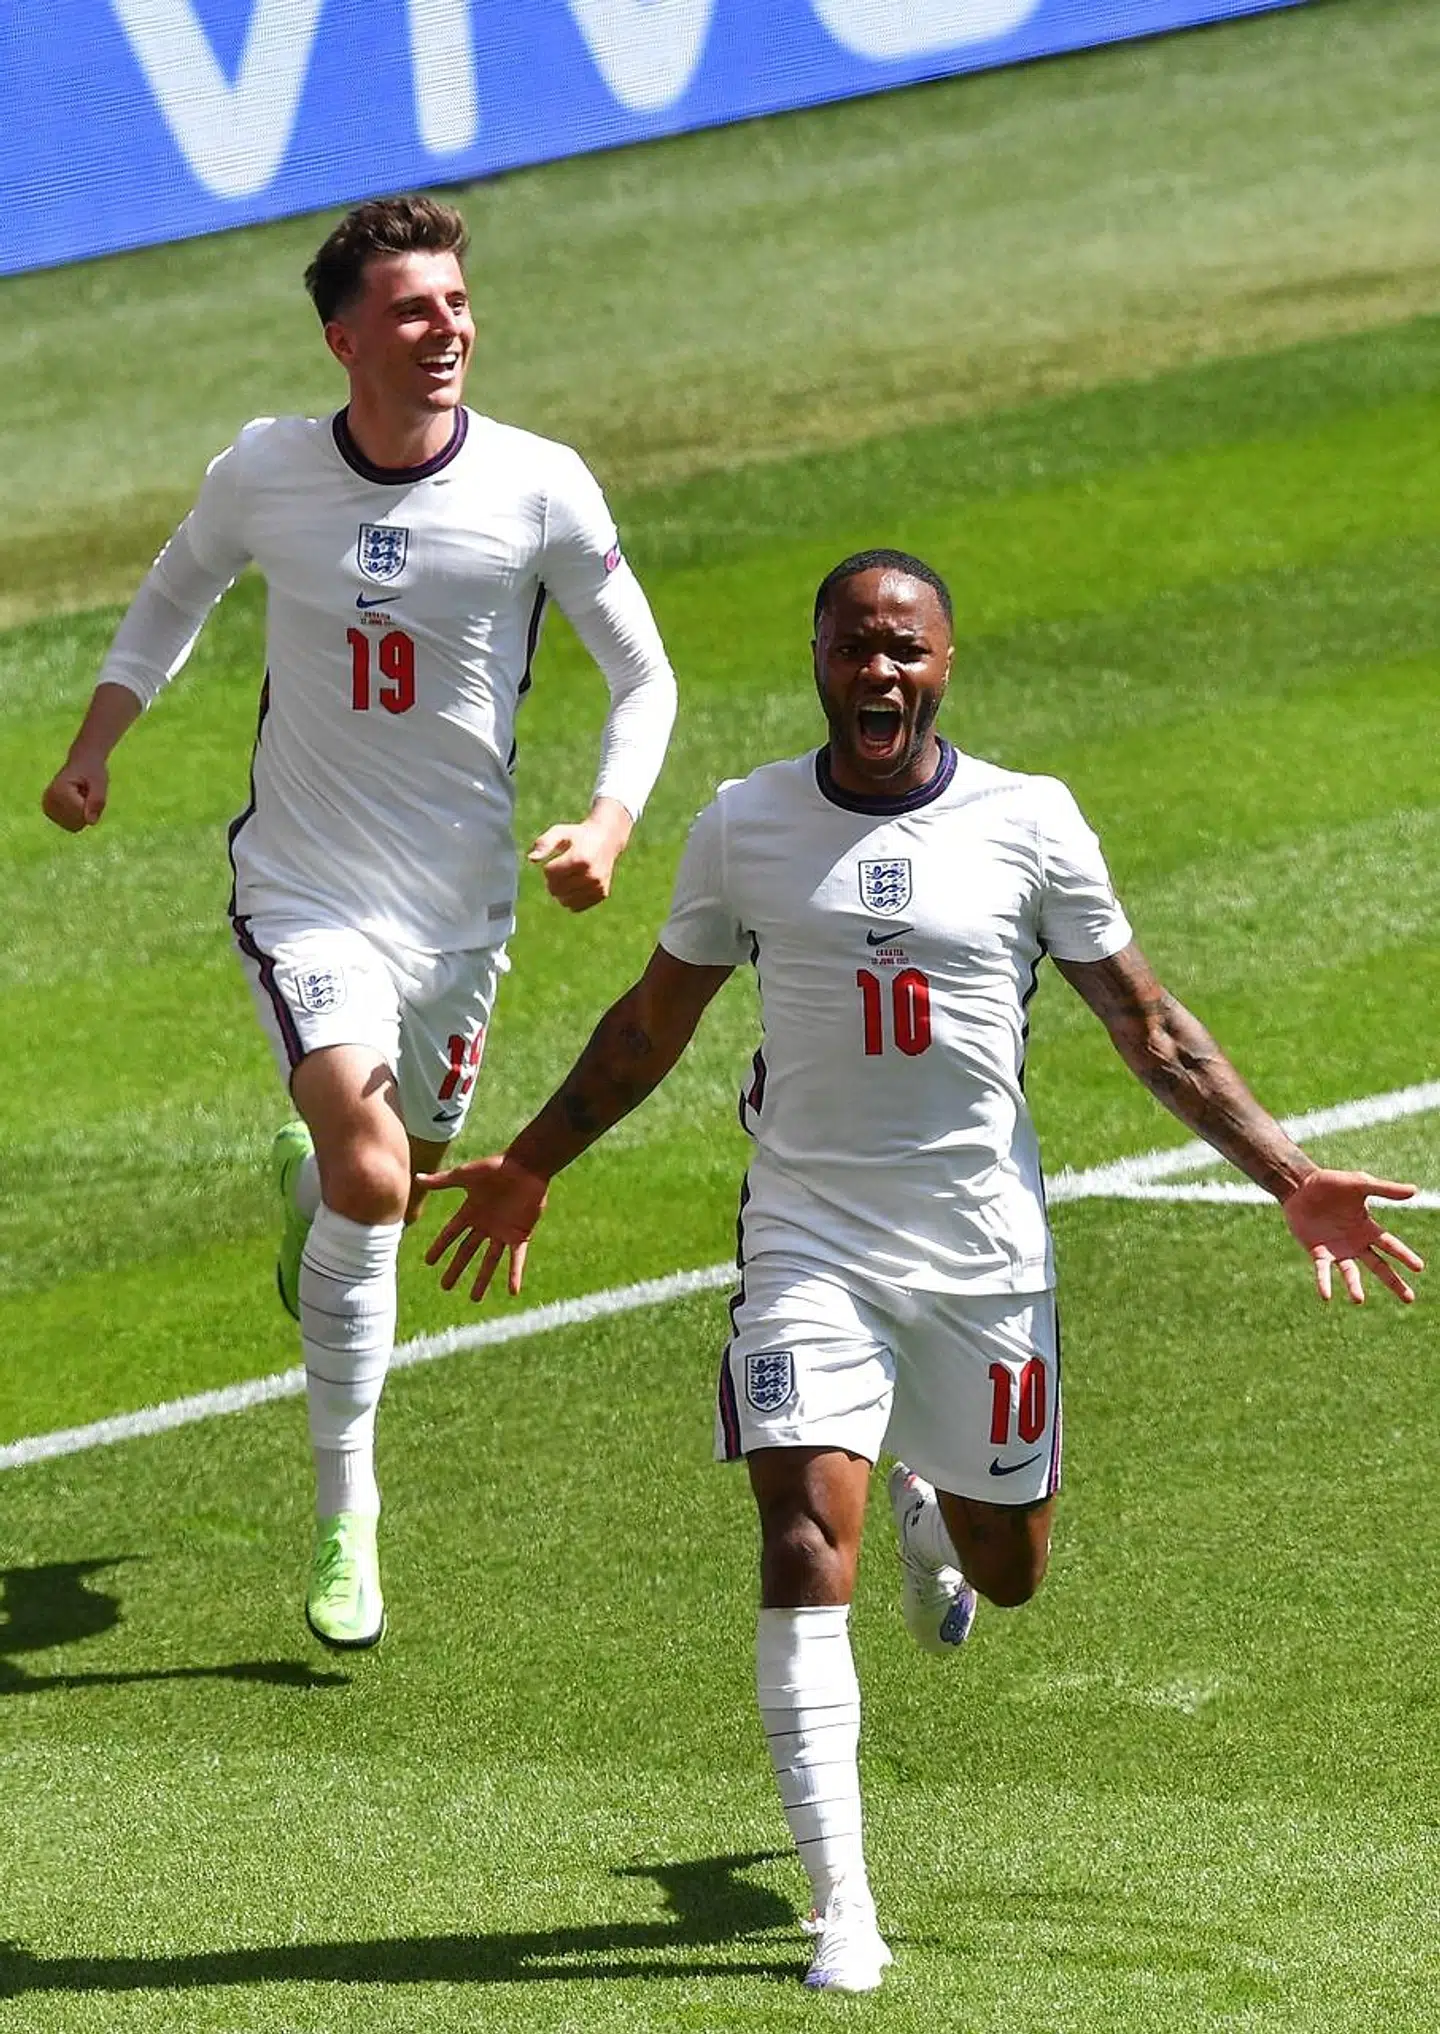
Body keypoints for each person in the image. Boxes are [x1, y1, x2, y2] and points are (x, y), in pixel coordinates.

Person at [418, 547, 1422, 1992]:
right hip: (808, 1239)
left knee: (1009, 1573)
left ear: (945, 663)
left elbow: (1153, 1029)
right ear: (818, 656)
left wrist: (1288, 1173)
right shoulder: (743, 824)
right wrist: (530, 1161)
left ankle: (935, 1511)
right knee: (791, 1532)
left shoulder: (1031, 821)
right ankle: (845, 1906)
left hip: (981, 1253)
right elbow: (651, 1024)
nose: (879, 672)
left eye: (907, 650)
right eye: (854, 646)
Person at [40, 195, 678, 1653]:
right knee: (382, 1181)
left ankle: (312, 1189)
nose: (444, 327)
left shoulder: (538, 486)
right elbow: (176, 587)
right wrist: (98, 741)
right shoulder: (268, 469)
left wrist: (611, 824)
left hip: (465, 910)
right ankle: (348, 1513)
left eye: (455, 303)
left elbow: (644, 679)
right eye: (410, 309)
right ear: (345, 339)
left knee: (388, 1176)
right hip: (307, 892)